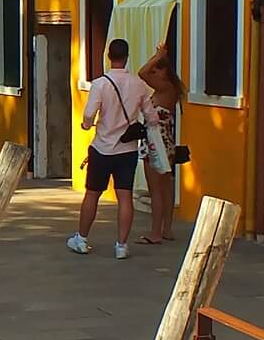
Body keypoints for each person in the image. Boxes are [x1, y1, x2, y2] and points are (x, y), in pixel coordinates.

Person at [67, 37, 154, 260]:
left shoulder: (100, 84)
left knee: (92, 194)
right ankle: (121, 245)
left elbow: (89, 115)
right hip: (127, 149)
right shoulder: (139, 84)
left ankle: (82, 239)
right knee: (125, 196)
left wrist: (86, 125)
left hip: (102, 148)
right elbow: (151, 116)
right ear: (127, 58)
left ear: (109, 56)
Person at [137, 41, 185, 245]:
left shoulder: (164, 88)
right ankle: (166, 229)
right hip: (166, 143)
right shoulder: (170, 89)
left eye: (158, 69)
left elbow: (142, 73)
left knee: (156, 189)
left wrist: (158, 55)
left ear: (165, 72)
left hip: (156, 143)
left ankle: (156, 232)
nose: (154, 72)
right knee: (165, 188)